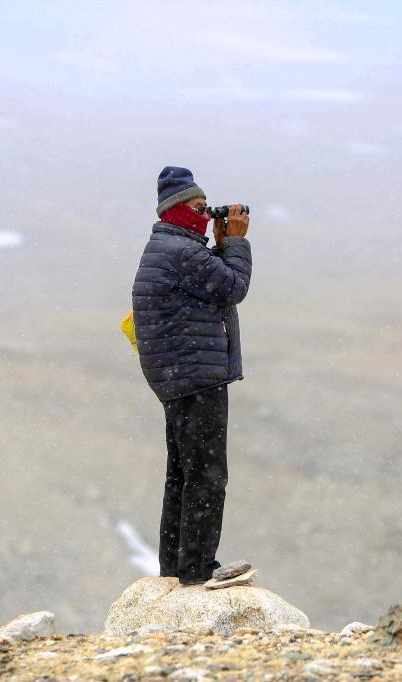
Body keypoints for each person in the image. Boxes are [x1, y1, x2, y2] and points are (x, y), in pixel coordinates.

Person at [131, 166, 252, 585]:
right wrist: (235, 242)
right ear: (177, 210)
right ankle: (198, 568)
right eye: (200, 208)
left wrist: (219, 245)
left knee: (183, 473)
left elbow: (207, 284)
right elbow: (232, 287)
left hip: (178, 376)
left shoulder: (168, 247)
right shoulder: (182, 251)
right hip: (195, 376)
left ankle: (176, 566)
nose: (206, 215)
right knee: (206, 474)